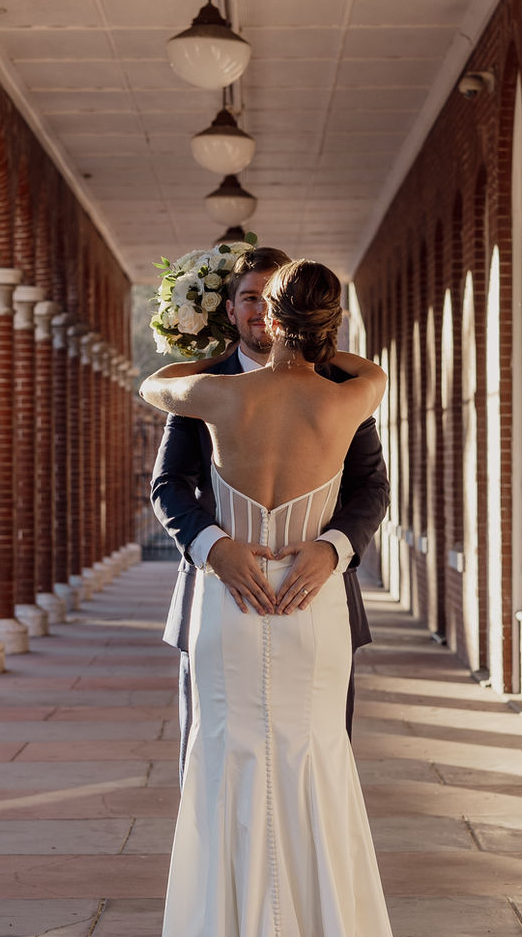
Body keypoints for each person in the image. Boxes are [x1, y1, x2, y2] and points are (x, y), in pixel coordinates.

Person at [139, 258, 430, 937]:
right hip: (309, 612)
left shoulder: (217, 396)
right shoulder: (354, 392)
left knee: (225, 768)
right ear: (333, 324)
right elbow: (365, 370)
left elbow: (153, 384)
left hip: (233, 614)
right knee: (316, 769)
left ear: (264, 312)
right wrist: (313, 342)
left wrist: (204, 348)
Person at [151, 245, 388, 783]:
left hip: (318, 592)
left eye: (267, 296)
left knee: (316, 760)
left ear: (279, 311)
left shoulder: (204, 390)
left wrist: (334, 549)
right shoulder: (214, 388)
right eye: (247, 297)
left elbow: (371, 486)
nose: (258, 310)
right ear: (229, 310)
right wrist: (214, 547)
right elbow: (168, 484)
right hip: (218, 589)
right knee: (213, 758)